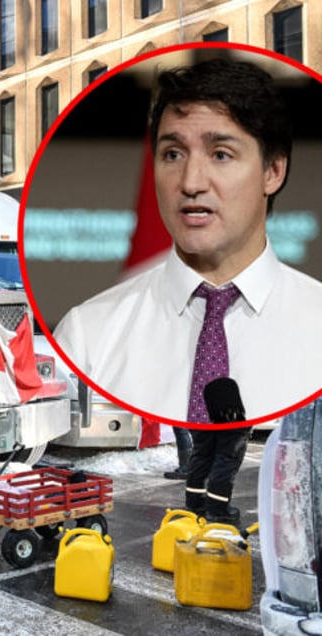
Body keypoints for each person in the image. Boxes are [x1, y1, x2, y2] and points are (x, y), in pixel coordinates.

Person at [52, 55, 322, 523]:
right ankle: (208, 511)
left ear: (274, 171)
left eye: (221, 154)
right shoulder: (90, 329)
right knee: (211, 459)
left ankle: (206, 508)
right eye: (173, 154)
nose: (191, 183)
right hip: (217, 440)